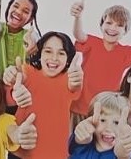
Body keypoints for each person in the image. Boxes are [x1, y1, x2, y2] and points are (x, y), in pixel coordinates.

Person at [6, 31, 83, 159]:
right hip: (20, 152)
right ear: (40, 53)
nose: (54, 58)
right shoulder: (27, 72)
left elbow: (74, 86)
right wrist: (11, 75)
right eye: (48, 51)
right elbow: (16, 83)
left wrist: (76, 78)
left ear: (68, 59)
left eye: (61, 53)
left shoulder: (68, 79)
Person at [70, 1, 131, 115]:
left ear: (125, 31)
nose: (113, 28)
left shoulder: (125, 52)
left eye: (119, 25)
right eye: (109, 23)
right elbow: (78, 34)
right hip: (79, 107)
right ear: (102, 25)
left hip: (105, 111)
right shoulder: (92, 42)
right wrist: (78, 17)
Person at [69, 91, 131, 159]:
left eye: (116, 122)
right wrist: (80, 138)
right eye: (102, 120)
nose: (108, 128)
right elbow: (74, 144)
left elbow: (125, 155)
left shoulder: (122, 152)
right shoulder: (82, 145)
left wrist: (124, 156)